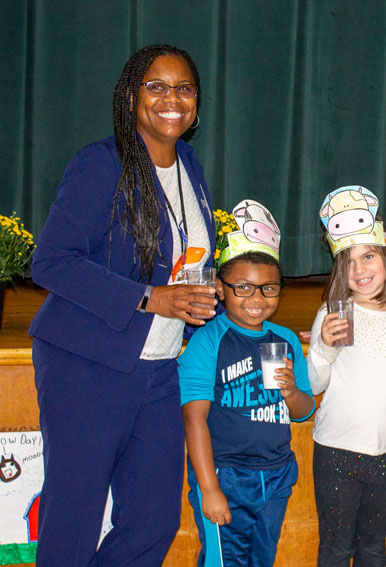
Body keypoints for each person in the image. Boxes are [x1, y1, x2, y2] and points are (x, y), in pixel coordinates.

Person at [29, 45, 217, 566]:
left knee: (154, 521)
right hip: (87, 364)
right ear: (130, 96)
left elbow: (182, 254)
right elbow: (51, 262)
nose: (171, 98)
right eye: (156, 86)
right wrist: (150, 297)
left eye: (184, 88)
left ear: (197, 103)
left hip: (160, 370)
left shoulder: (190, 166)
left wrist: (210, 290)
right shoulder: (100, 164)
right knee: (75, 515)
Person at [179, 200, 315, 567]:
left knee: (261, 560)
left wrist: (290, 392)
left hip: (277, 473)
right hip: (227, 475)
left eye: (268, 289)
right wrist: (209, 489)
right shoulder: (208, 341)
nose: (257, 299)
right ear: (220, 290)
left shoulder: (284, 339)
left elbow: (304, 412)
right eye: (243, 287)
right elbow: (195, 420)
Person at [308, 186, 386, 567]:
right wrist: (325, 347)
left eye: (368, 256)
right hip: (335, 453)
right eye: (348, 261)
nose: (359, 270)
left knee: (373, 548)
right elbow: (313, 385)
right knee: (336, 548)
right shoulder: (332, 312)